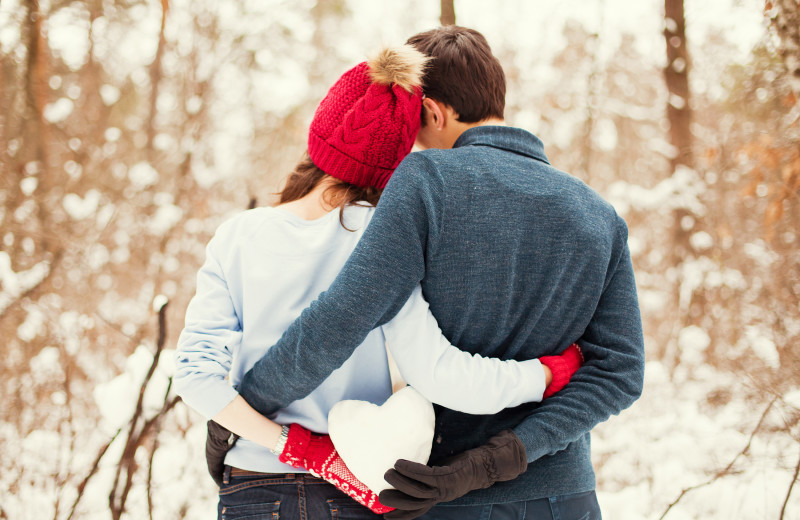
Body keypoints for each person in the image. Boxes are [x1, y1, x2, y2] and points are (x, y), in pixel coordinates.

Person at [227, 26, 646, 520]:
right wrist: (503, 456)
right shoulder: (598, 215)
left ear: (433, 112)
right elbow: (620, 373)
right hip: (565, 495)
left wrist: (243, 409)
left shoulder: (427, 182)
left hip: (444, 496)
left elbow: (343, 316)